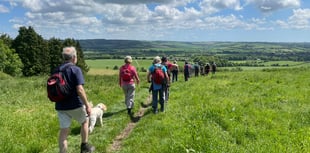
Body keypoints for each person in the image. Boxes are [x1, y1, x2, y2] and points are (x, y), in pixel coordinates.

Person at [54, 46, 95, 153]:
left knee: (64, 131)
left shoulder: (57, 69)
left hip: (60, 105)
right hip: (75, 104)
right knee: (85, 122)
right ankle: (84, 147)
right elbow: (80, 89)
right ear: (74, 57)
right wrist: (87, 105)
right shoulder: (75, 69)